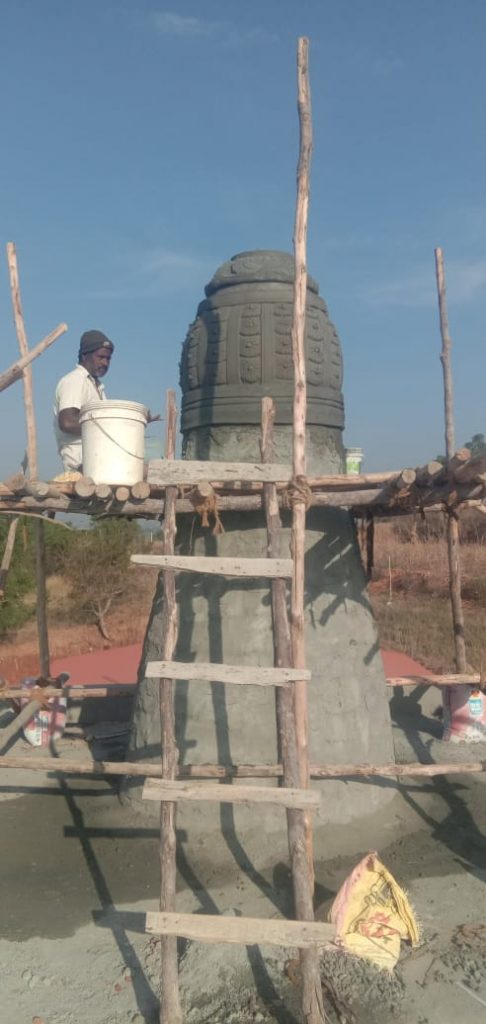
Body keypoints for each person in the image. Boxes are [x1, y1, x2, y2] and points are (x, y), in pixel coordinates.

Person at [53, 329, 114, 471]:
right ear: (84, 355)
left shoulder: (95, 386)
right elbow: (67, 423)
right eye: (101, 357)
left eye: (108, 358)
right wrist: (111, 429)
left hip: (98, 460)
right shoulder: (75, 380)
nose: (105, 362)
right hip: (81, 465)